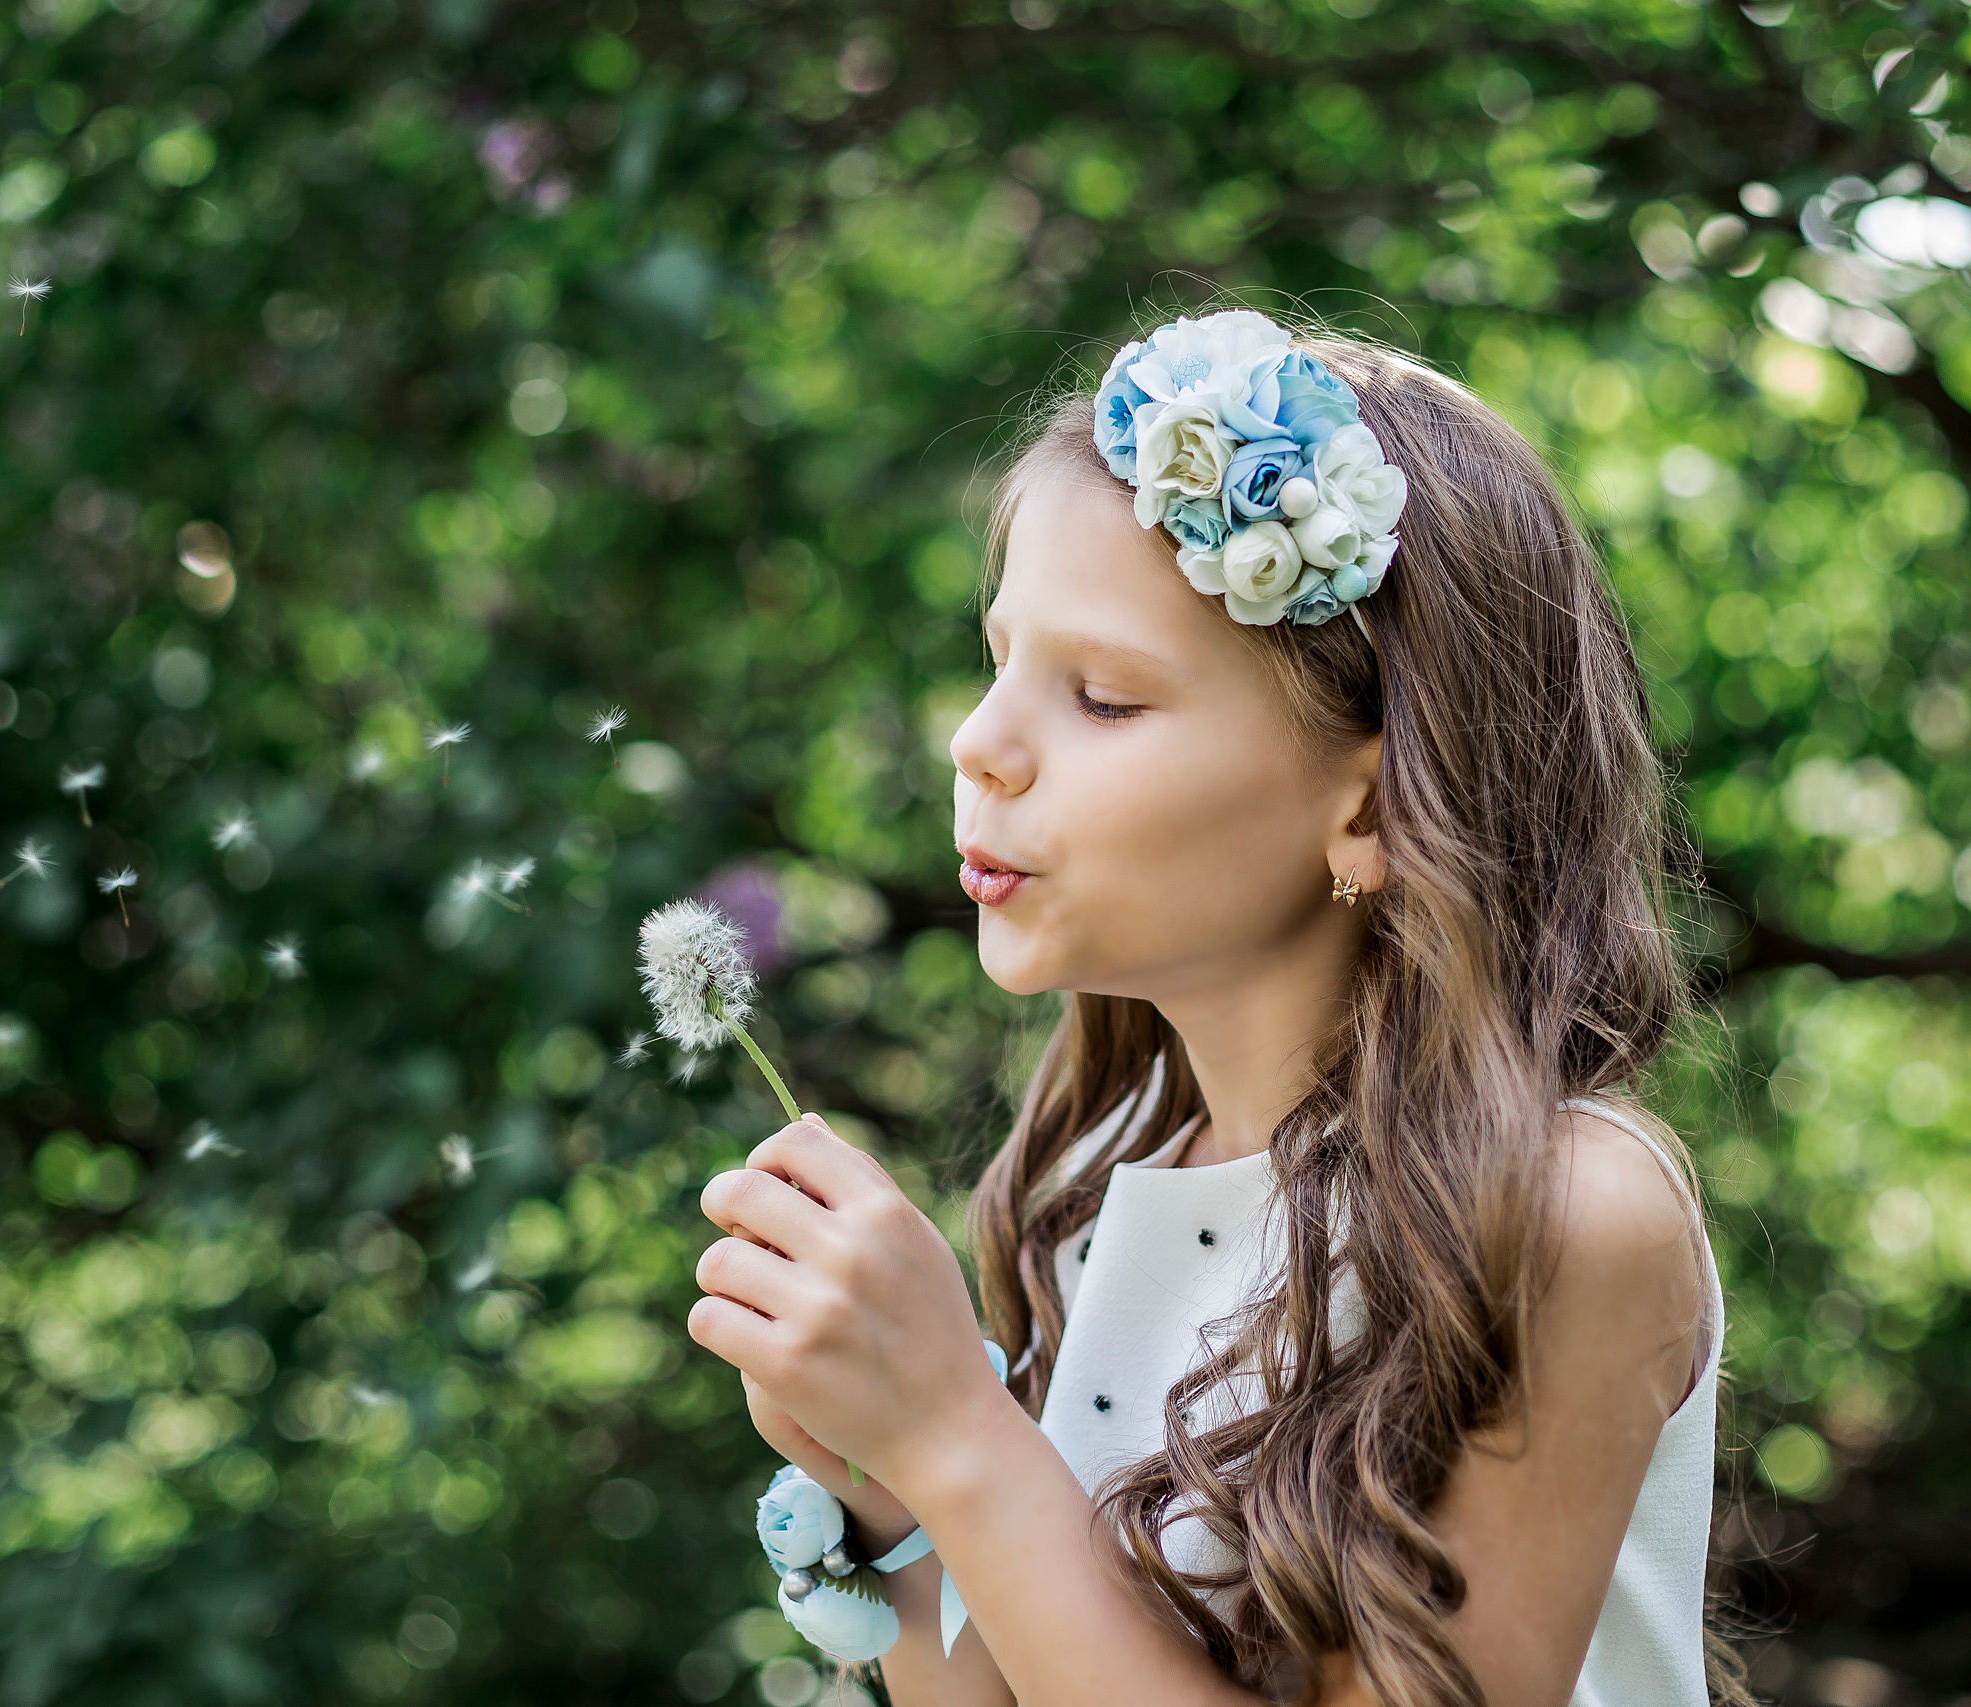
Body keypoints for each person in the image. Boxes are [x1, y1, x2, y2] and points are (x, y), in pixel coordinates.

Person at [687, 306, 1758, 1707]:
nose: (978, 742)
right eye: (1000, 657)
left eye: (1104, 698)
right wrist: (882, 1479)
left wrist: (958, 1436)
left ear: (1372, 798)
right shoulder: (1092, 1189)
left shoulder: (1556, 1215)